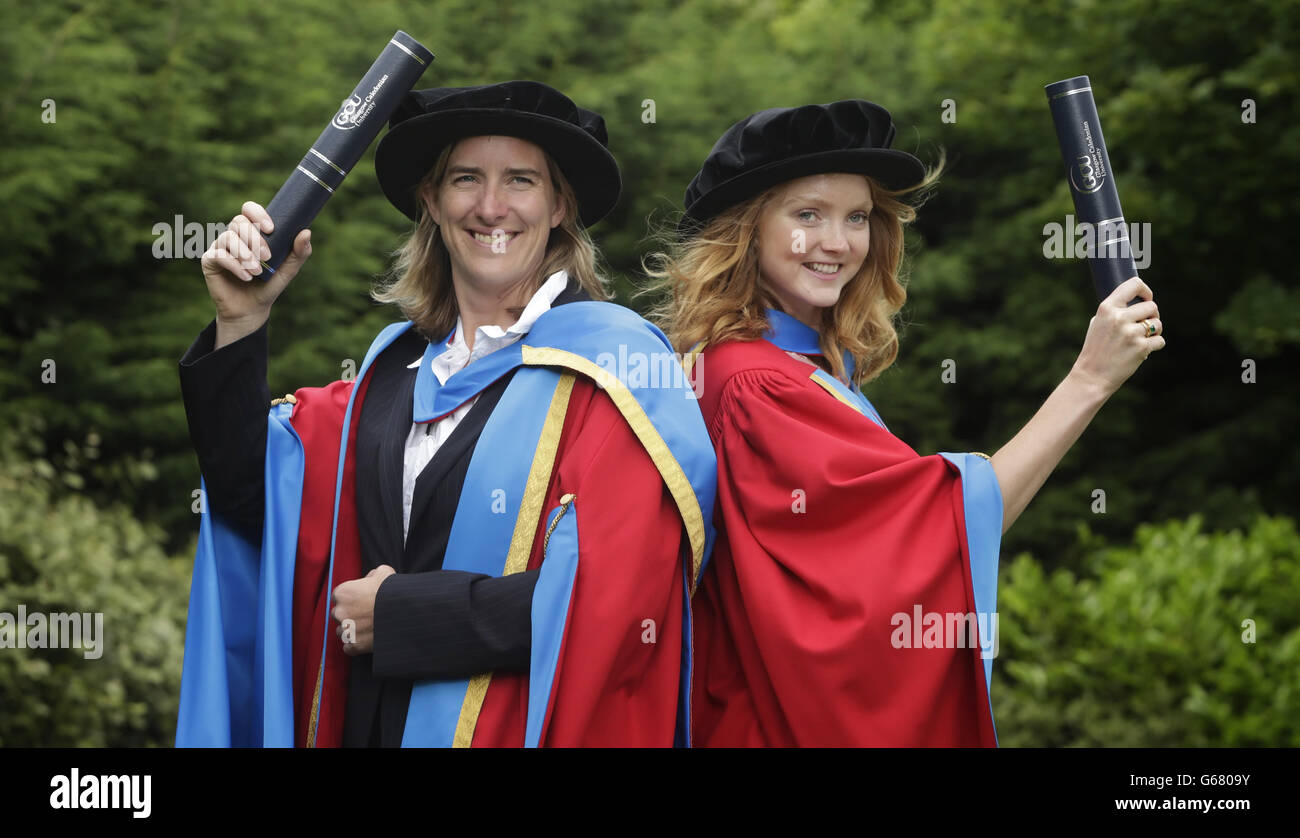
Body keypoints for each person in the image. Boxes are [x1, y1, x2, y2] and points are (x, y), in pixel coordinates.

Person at [176, 81, 715, 747]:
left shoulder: (617, 371)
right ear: (430, 200)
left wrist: (402, 616)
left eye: (520, 180)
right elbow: (249, 502)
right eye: (465, 179)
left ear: (559, 206)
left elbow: (624, 597)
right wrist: (241, 322)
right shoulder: (389, 377)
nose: (491, 207)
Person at [649, 99, 1165, 746]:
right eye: (807, 214)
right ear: (747, 230)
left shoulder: (793, 367)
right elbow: (940, 533)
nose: (838, 242)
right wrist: (1089, 380)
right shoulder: (759, 387)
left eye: (857, 217)